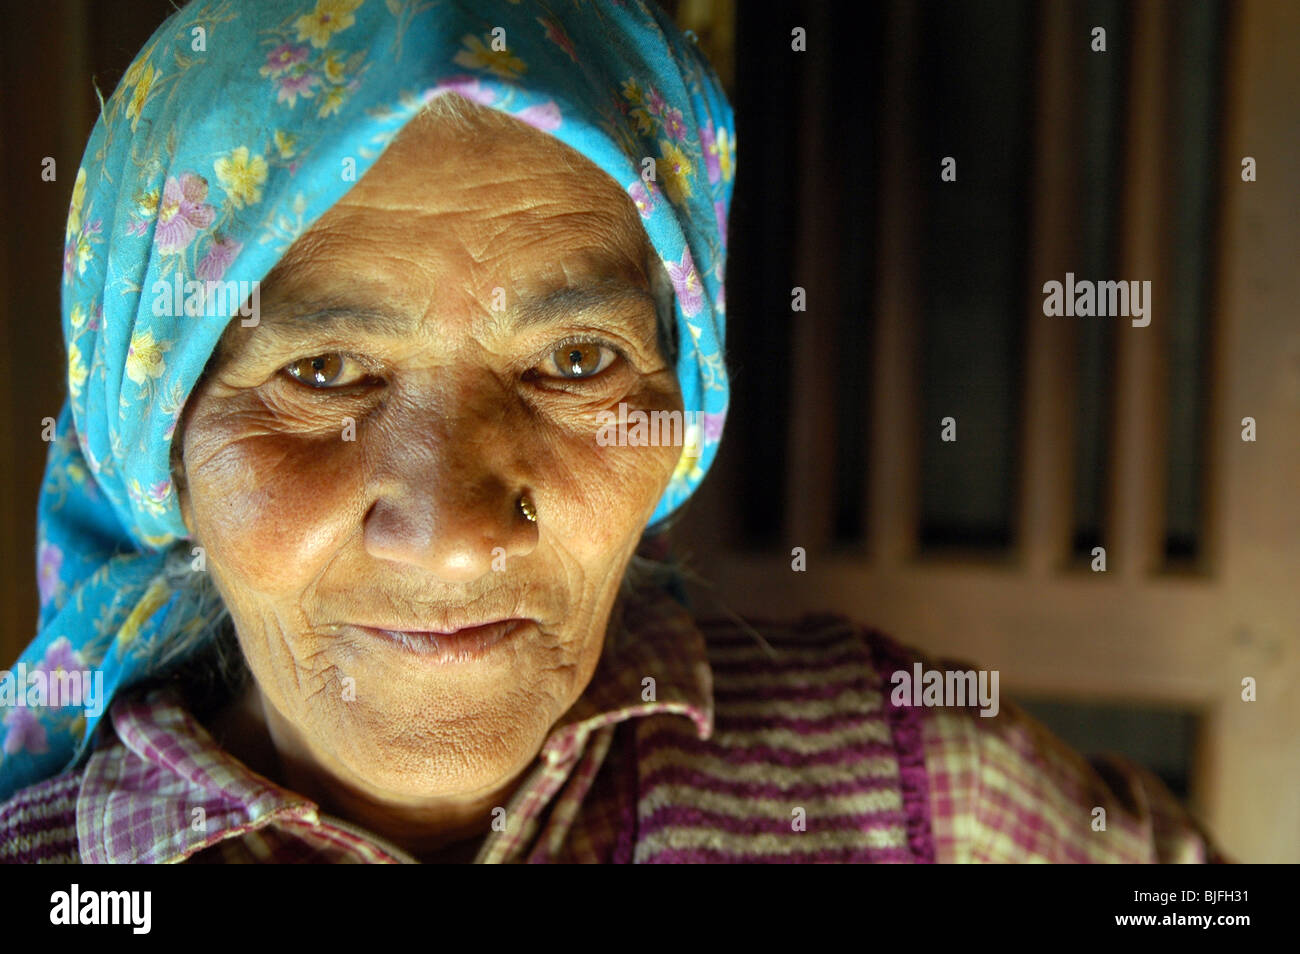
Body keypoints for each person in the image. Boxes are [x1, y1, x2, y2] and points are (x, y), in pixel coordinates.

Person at [0, 0, 1225, 863]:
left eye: (574, 361)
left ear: (683, 403)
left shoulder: (910, 774)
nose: (456, 538)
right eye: (323, 371)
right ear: (152, 435)